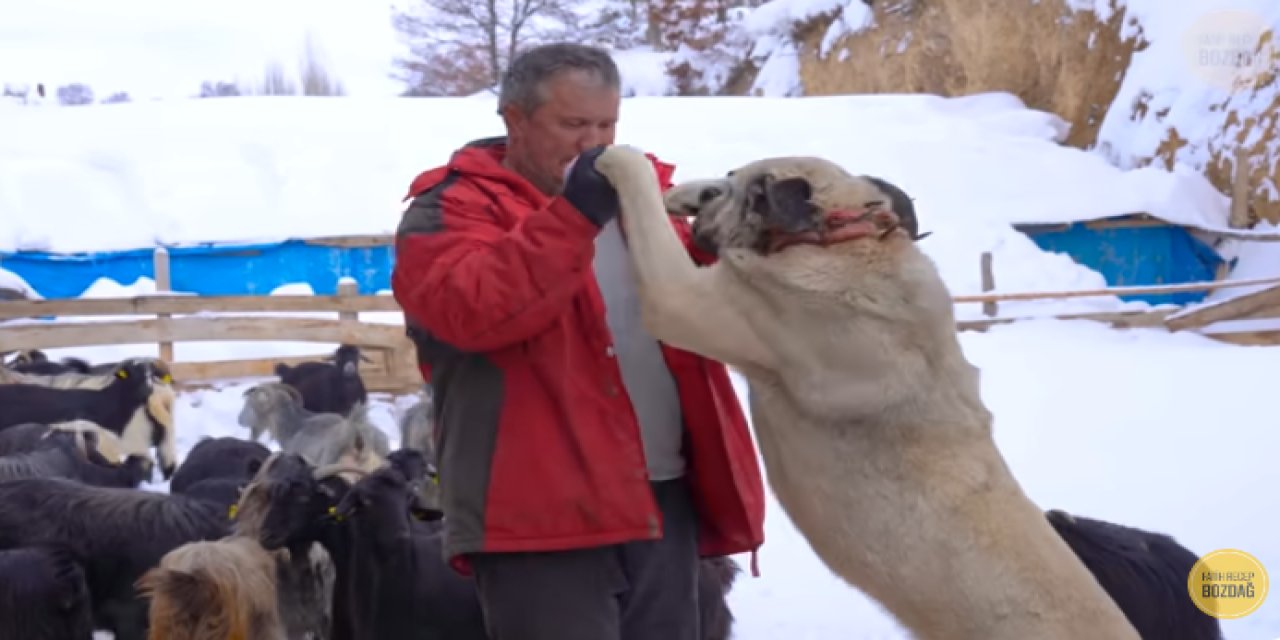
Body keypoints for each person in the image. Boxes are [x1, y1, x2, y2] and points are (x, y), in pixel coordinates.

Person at [391, 42, 766, 640]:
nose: (593, 145)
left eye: (606, 125)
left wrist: (755, 238)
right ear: (515, 119)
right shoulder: (450, 211)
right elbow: (474, 313)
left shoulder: (648, 207)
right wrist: (574, 216)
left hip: (662, 496)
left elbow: (722, 303)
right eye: (573, 125)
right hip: (537, 513)